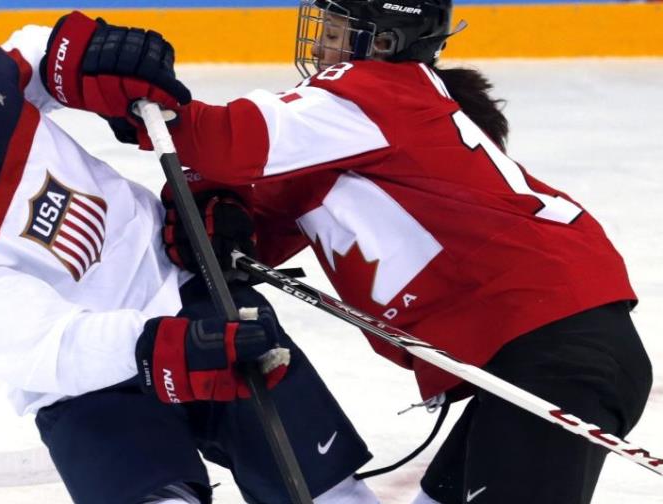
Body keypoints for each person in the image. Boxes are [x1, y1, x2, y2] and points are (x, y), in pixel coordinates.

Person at [71, 0, 655, 503]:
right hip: (547, 349)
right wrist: (221, 219)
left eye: (334, 30)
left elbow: (222, 142)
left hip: (557, 348)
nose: (321, 44)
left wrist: (126, 88)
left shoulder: (374, 92)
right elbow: (256, 216)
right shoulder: (338, 144)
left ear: (383, 38)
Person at [0, 3, 379, 503]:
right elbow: (57, 346)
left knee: (329, 492)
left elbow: (33, 59)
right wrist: (163, 346)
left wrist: (85, 60)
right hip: (88, 394)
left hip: (185, 288)